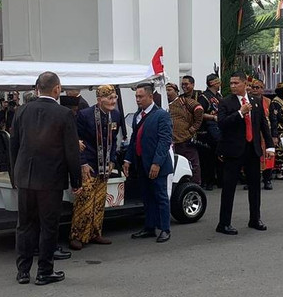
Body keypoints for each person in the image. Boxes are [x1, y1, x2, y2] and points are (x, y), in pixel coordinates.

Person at [10, 72, 82, 286]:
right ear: (57, 89)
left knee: (24, 225)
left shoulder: (21, 111)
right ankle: (44, 271)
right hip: (51, 179)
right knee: (48, 226)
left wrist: (15, 175)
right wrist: (76, 180)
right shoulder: (64, 114)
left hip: (25, 177)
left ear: (37, 89)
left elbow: (13, 146)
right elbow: (72, 151)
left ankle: (22, 271)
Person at [215, 72, 274, 236]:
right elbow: (222, 124)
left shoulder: (255, 101)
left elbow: (263, 125)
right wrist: (240, 113)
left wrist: (270, 146)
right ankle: (224, 223)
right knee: (229, 187)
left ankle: (255, 219)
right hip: (233, 151)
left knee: (255, 186)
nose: (233, 86)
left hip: (252, 149)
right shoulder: (225, 102)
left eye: (236, 83)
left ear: (244, 84)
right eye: (231, 83)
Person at [69, 85, 121, 250]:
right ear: (99, 100)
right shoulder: (85, 115)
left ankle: (95, 233)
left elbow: (114, 140)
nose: (113, 101)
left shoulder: (116, 115)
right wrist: (82, 163)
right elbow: (77, 141)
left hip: (105, 166)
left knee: (99, 202)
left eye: (115, 98)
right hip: (89, 164)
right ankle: (77, 236)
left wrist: (112, 159)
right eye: (110, 98)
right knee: (85, 201)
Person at [123, 83, 173, 243]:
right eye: (136, 96)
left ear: (150, 96)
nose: (137, 99)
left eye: (140, 96)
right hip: (141, 163)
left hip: (156, 165)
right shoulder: (138, 115)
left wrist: (157, 163)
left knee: (160, 196)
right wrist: (128, 159)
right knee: (147, 197)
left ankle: (165, 228)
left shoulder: (161, 115)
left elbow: (165, 141)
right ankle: (149, 227)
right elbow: (134, 140)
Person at [167, 82, 203, 184]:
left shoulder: (183, 101)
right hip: (171, 142)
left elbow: (199, 109)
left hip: (184, 139)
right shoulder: (163, 104)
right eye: (166, 90)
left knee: (192, 163)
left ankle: (195, 184)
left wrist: (193, 128)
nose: (167, 92)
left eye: (169, 90)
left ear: (176, 91)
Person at [198, 73, 223, 190]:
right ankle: (208, 181)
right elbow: (199, 113)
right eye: (218, 82)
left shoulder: (219, 96)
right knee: (208, 158)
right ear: (212, 83)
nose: (219, 84)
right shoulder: (204, 97)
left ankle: (219, 179)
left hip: (219, 129)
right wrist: (213, 117)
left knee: (218, 155)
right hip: (207, 130)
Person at [250, 79, 274, 190]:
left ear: (262, 89)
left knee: (268, 157)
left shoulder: (268, 102)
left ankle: (267, 180)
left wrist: (274, 135)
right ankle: (250, 181)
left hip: (265, 135)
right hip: (252, 134)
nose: (254, 89)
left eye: (257, 87)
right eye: (253, 87)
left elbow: (274, 120)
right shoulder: (247, 101)